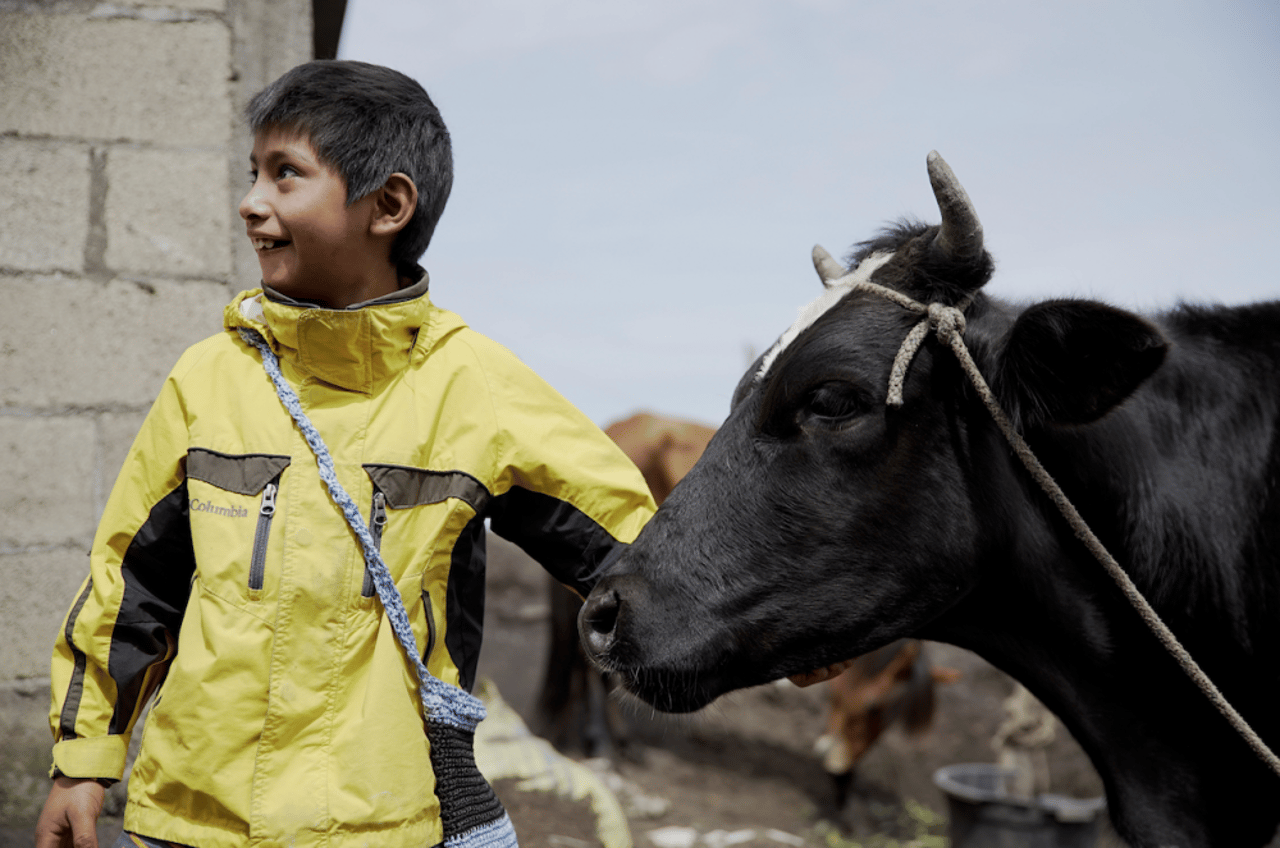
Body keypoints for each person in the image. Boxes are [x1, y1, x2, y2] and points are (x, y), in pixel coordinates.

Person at [34, 59, 657, 848]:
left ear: (388, 204)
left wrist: (788, 636)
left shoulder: (479, 389)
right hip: (187, 821)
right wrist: (83, 763)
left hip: (383, 827)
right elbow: (131, 583)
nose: (251, 201)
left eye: (285, 174)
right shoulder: (207, 379)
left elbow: (639, 555)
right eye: (253, 172)